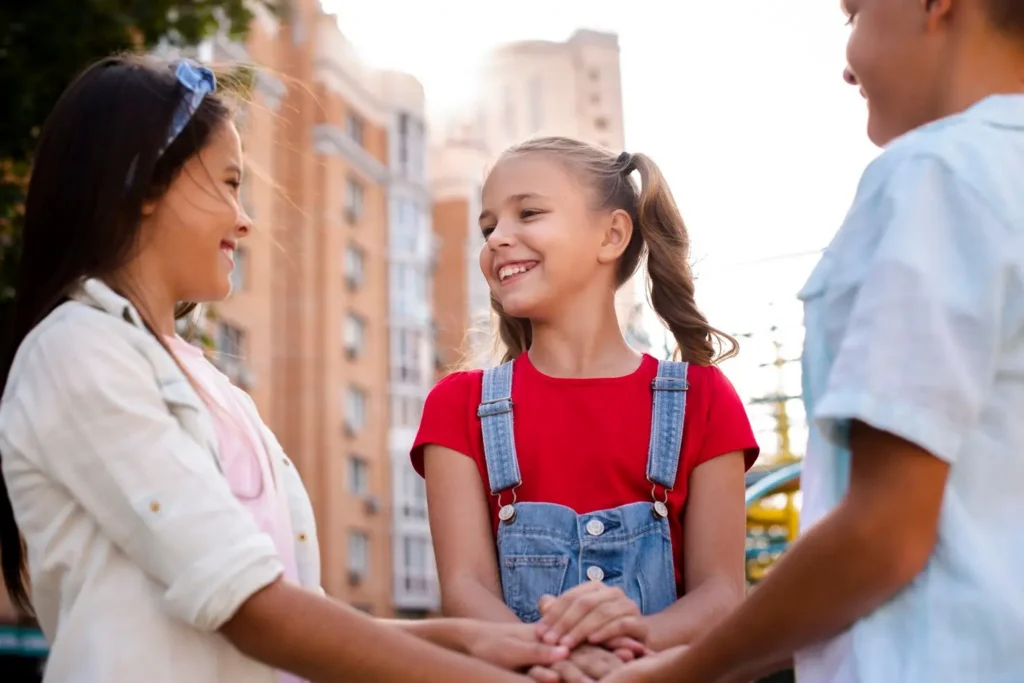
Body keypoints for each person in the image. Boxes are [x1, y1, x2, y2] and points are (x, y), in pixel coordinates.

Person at [0, 55, 571, 683]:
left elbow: (297, 619)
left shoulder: (215, 389)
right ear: (144, 185)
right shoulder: (79, 350)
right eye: (226, 182)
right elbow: (248, 608)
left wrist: (469, 643)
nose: (244, 219)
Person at [601, 0, 1024, 681]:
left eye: (853, 13)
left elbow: (884, 535)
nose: (847, 61)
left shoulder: (936, 174)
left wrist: (680, 672)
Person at [412, 136, 760, 680]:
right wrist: (563, 659)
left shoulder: (705, 400)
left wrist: (632, 640)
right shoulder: (456, 407)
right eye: (488, 228)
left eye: (528, 213)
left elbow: (721, 592)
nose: (499, 238)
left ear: (612, 234)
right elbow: (466, 589)